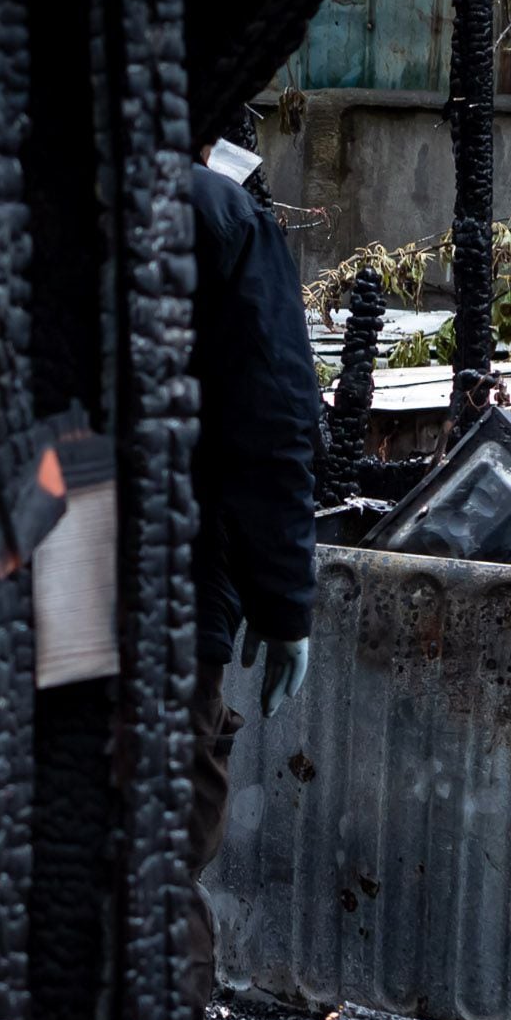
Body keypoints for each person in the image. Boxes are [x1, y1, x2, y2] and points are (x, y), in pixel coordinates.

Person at [189, 158, 322, 937]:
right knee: (159, 841)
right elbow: (272, 421)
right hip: (171, 576)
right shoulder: (219, 216)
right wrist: (286, 607)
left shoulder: (14, 192)